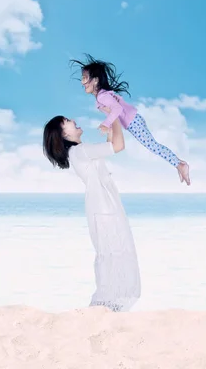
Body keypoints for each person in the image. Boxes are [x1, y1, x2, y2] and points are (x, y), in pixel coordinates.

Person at [42, 113, 141, 312]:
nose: (72, 121)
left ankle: (108, 303)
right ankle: (107, 304)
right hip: (103, 208)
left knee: (111, 252)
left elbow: (110, 145)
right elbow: (118, 147)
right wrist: (114, 115)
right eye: (66, 122)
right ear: (63, 134)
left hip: (101, 206)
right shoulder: (80, 151)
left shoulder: (80, 152)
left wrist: (111, 125)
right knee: (113, 252)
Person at [70, 54, 191, 186]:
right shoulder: (102, 96)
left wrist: (106, 124)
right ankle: (179, 163)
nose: (82, 83)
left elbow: (116, 109)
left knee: (153, 146)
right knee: (153, 145)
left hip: (133, 121)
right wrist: (109, 128)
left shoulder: (102, 97)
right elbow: (114, 111)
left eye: (85, 78)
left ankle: (179, 165)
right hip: (134, 120)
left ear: (95, 80)